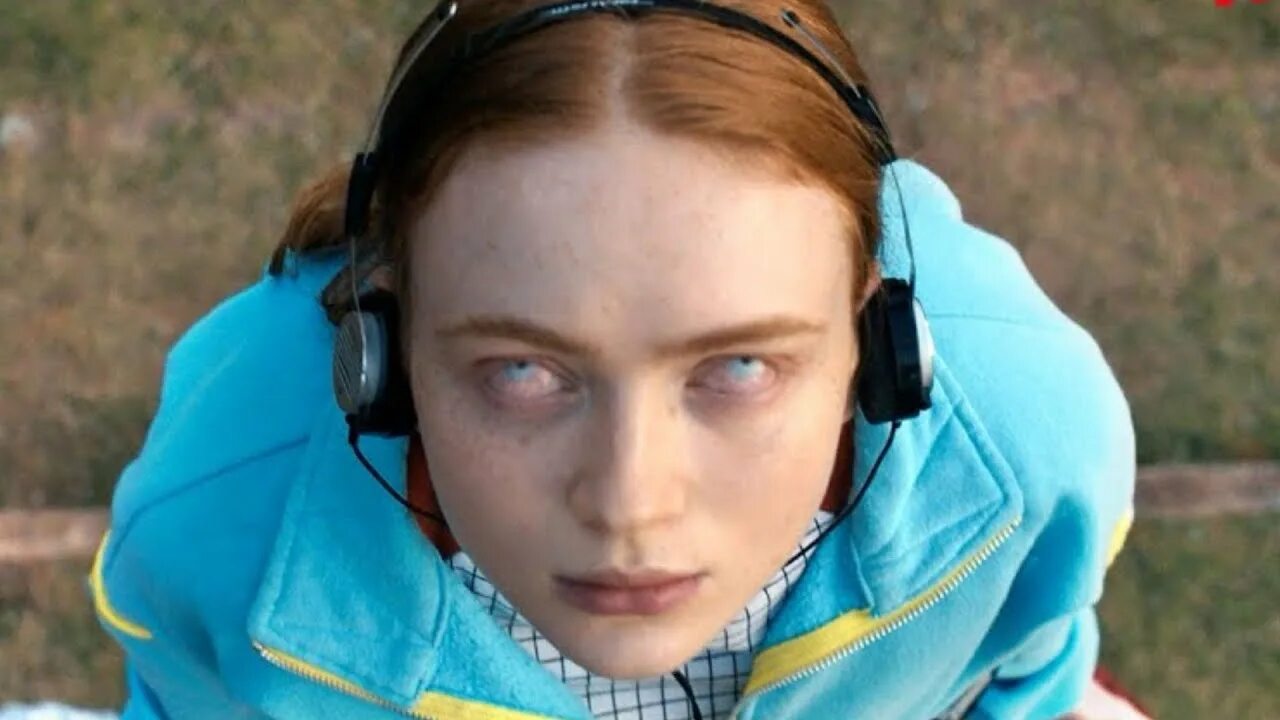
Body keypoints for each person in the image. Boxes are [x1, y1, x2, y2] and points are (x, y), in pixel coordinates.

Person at [89, 0, 1146, 717]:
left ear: (879, 350)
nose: (630, 503)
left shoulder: (1024, 447)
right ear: (385, 358)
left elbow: (1024, 674)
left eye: (737, 368)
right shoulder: (218, 528)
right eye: (522, 372)